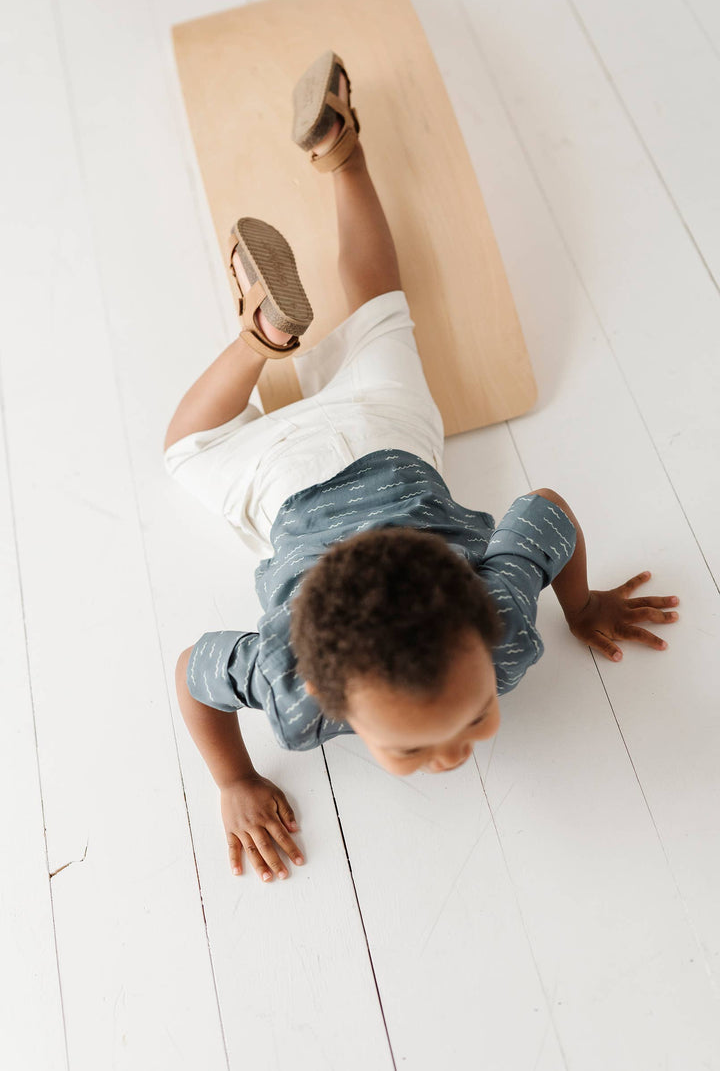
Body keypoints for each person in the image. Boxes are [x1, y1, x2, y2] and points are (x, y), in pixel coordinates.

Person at [163, 50, 680, 886]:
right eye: (452, 728)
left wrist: (574, 602)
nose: (450, 756)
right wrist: (233, 775)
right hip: (285, 477)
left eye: (472, 717)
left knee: (375, 312)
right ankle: (332, 169)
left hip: (384, 435)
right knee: (195, 446)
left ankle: (271, 326)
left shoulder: (500, 617)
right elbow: (193, 670)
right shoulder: (306, 687)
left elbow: (545, 508)